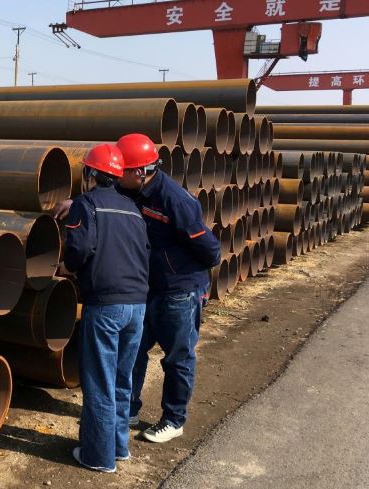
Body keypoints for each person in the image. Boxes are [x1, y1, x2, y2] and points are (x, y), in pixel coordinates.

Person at [115, 133, 221, 444]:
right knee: (134, 349)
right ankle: (130, 408)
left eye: (122, 170)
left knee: (177, 356)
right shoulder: (134, 192)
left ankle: (174, 419)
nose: (117, 176)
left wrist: (178, 270)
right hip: (149, 287)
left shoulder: (175, 200)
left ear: (140, 172)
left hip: (180, 290)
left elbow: (210, 250)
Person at [58, 143, 150, 473]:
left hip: (106, 305)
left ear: (91, 174)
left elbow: (79, 248)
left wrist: (69, 266)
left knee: (99, 381)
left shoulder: (87, 204)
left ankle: (99, 457)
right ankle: (119, 447)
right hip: (137, 304)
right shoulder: (132, 209)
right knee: (122, 380)